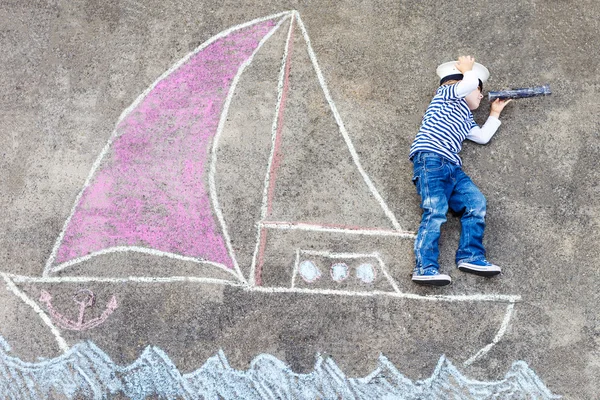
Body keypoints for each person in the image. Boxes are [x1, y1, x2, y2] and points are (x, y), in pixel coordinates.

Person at [409, 55, 511, 286]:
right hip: (431, 160)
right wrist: (467, 70)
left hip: (452, 167)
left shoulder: (465, 117)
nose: (481, 95)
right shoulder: (445, 96)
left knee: (476, 203)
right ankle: (425, 267)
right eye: (478, 90)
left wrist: (494, 113)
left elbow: (483, 137)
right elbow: (465, 85)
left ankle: (470, 255)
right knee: (435, 211)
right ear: (460, 84)